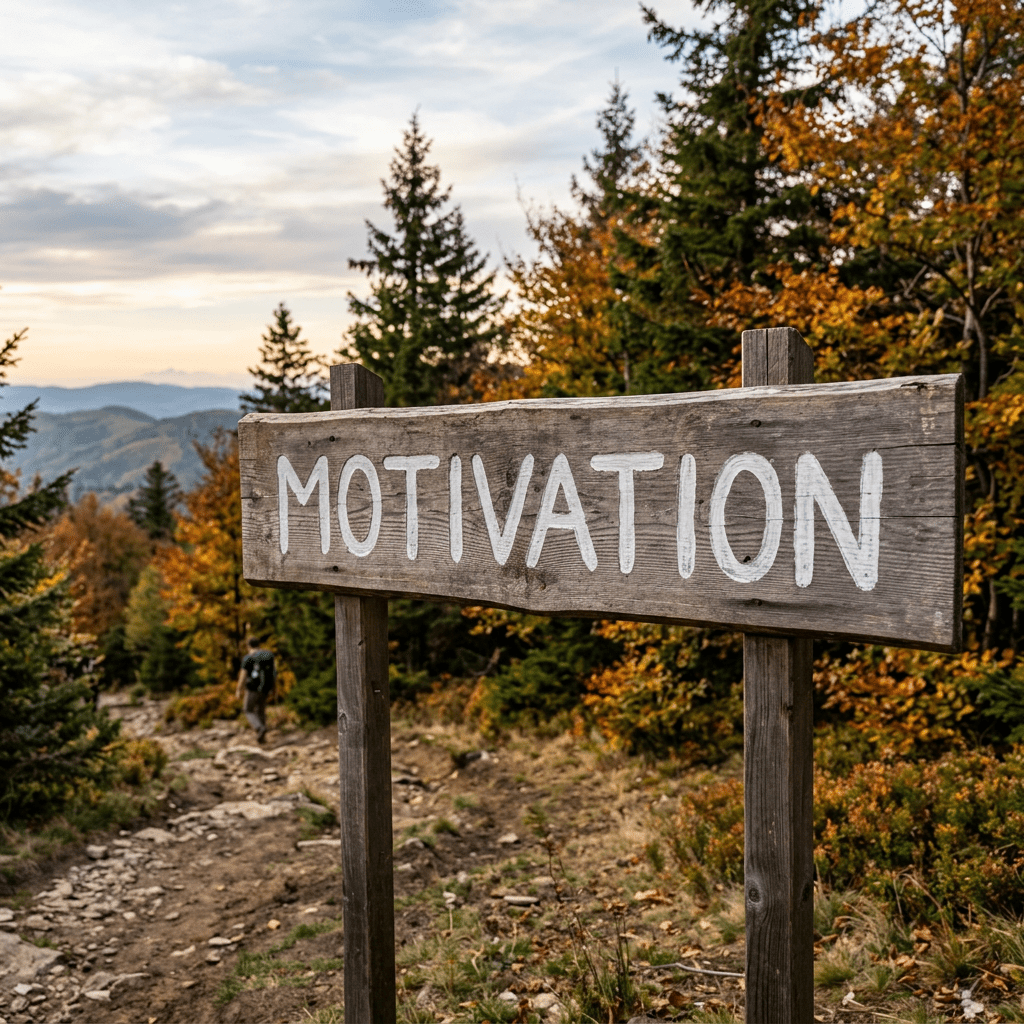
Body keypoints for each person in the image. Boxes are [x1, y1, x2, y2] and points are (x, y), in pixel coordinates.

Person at [237, 637, 275, 743]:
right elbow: (273, 673)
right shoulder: (268, 656)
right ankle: (262, 738)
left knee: (248, 710)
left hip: (252, 688)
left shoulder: (248, 658)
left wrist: (239, 689)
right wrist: (274, 688)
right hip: (265, 688)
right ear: (259, 644)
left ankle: (259, 728)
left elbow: (243, 675)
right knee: (261, 711)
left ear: (248, 646)